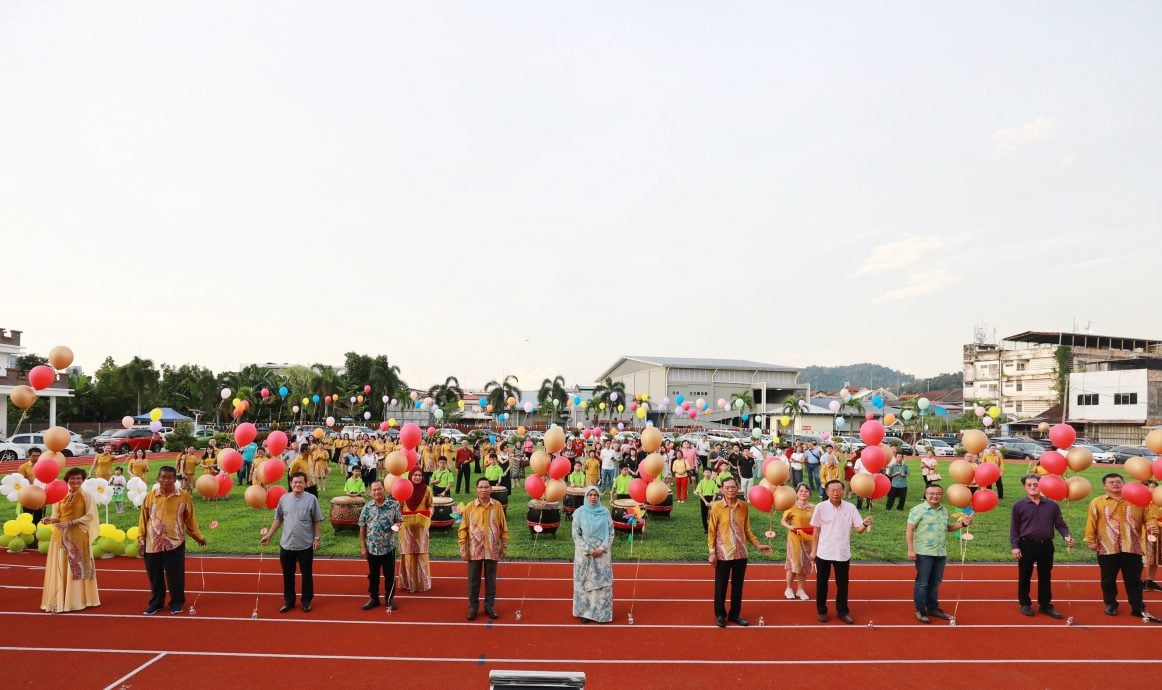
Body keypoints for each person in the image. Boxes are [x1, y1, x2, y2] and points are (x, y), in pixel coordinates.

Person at [1083, 473, 1160, 621]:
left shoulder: (1136, 500)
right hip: (1107, 547)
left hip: (1132, 546)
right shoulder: (1097, 502)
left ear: (1124, 484)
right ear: (1104, 486)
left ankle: (1138, 607)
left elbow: (1149, 518)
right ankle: (1111, 604)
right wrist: (1091, 540)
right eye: (1111, 482)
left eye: (1118, 482)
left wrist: (1152, 526)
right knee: (1108, 579)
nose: (1115, 484)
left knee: (1134, 580)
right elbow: (1091, 521)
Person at [137, 466, 207, 615]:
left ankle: (176, 602)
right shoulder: (150, 496)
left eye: (170, 477)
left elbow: (190, 519)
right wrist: (140, 539)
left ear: (175, 479)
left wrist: (198, 537)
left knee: (175, 575)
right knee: (154, 575)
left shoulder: (183, 496)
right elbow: (143, 520)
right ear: (158, 478)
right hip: (152, 543)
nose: (166, 480)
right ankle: (156, 602)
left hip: (175, 542)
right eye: (163, 477)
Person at [708, 477, 772, 627]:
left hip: (741, 553)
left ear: (737, 489)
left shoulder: (743, 506)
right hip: (723, 553)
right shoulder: (716, 507)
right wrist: (712, 552)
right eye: (727, 488)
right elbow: (711, 531)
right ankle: (720, 615)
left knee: (738, 586)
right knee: (721, 586)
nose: (730, 490)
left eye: (733, 487)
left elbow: (747, 529)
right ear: (722, 489)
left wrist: (757, 544)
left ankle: (735, 614)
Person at [1008, 473, 1073, 618]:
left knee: (1045, 576)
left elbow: (1060, 525)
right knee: (1025, 575)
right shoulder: (1018, 506)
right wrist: (1015, 546)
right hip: (1026, 545)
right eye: (1029, 485)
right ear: (1024, 487)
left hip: (1046, 546)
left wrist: (1066, 535)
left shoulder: (1052, 505)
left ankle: (1045, 605)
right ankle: (1025, 603)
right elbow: (1014, 528)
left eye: (1035, 484)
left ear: (1041, 485)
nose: (1032, 487)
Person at [810, 480, 873, 624]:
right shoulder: (820, 507)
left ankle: (842, 611)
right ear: (826, 492)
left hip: (842, 553)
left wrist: (865, 523)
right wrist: (814, 550)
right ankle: (822, 611)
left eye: (839, 490)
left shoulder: (850, 508)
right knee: (821, 583)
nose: (836, 493)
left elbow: (858, 529)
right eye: (832, 490)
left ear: (843, 491)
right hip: (823, 552)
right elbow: (816, 531)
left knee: (843, 584)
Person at [906, 485, 972, 623]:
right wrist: (910, 549)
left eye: (938, 494)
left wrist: (962, 524)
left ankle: (933, 607)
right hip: (924, 552)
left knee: (935, 582)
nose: (935, 496)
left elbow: (947, 528)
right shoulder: (918, 510)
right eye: (931, 493)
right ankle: (920, 610)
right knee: (922, 583)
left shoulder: (944, 511)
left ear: (942, 496)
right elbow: (910, 529)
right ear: (925, 494)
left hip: (940, 552)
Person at [260, 472, 323, 613]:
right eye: (295, 482)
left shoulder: (311, 499)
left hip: (305, 544)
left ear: (305, 484)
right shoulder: (283, 499)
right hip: (286, 544)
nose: (297, 485)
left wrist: (316, 538)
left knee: (306, 574)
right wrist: (269, 535)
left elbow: (316, 520)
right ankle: (289, 601)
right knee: (288, 574)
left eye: (300, 482)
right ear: (290, 483)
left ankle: (306, 601)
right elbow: (278, 519)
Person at [41, 468, 100, 612]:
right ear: (67, 479)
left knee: (78, 567)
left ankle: (78, 600)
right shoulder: (60, 495)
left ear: (83, 480)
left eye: (79, 478)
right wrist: (50, 520)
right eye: (73, 478)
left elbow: (90, 515)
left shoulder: (86, 496)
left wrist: (71, 523)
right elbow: (57, 516)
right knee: (62, 567)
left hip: (78, 536)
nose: (76, 481)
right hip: (60, 536)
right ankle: (60, 598)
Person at [459, 477, 509, 620]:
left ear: (490, 489)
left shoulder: (497, 506)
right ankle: (473, 607)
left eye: (486, 487)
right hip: (474, 550)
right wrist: (463, 547)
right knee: (473, 581)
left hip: (492, 548)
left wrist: (504, 545)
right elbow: (463, 529)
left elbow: (503, 526)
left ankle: (489, 606)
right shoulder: (469, 507)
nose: (483, 489)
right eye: (480, 487)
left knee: (491, 580)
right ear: (476, 489)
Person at [572, 485, 614, 623]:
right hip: (585, 555)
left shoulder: (605, 512)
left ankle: (600, 612)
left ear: (599, 497)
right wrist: (589, 550)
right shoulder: (579, 513)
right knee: (584, 583)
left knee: (600, 583)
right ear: (586, 496)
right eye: (590, 495)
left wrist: (602, 548)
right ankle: (585, 612)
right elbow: (576, 534)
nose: (592, 497)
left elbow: (611, 532)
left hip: (602, 555)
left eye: (595, 495)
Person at [358, 480, 403, 610]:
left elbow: (399, 520)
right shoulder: (367, 507)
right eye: (374, 490)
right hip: (372, 548)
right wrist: (363, 546)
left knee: (389, 575)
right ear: (371, 492)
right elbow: (362, 527)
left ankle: (389, 599)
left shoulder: (393, 505)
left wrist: (397, 526)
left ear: (384, 489)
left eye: (379, 489)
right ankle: (374, 598)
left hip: (388, 547)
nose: (377, 492)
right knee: (373, 575)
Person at [399, 468, 433, 593]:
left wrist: (427, 515)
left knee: (421, 553)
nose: (417, 477)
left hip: (421, 527)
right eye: (415, 475)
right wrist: (400, 517)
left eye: (419, 475)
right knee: (407, 554)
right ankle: (408, 583)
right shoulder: (405, 489)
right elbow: (400, 506)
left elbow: (430, 505)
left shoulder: (427, 490)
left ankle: (422, 583)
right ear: (410, 476)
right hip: (406, 527)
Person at [779, 483, 814, 600]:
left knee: (805, 564)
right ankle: (788, 588)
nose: (803, 493)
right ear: (796, 493)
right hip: (794, 539)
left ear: (810, 493)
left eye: (806, 491)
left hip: (809, 540)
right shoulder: (791, 506)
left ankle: (800, 589)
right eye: (801, 491)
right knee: (793, 564)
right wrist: (790, 528)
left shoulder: (814, 507)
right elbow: (783, 521)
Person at [1144, 479, 1162, 592]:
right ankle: (1140, 581)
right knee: (1147, 558)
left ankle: (1149, 581)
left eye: (1154, 487)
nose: (1151, 489)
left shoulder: (1160, 501)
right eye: (1148, 487)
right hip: (1144, 534)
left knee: (1155, 558)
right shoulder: (1139, 503)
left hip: (1158, 533)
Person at [695, 469, 718, 533]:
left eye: (709, 472)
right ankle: (706, 528)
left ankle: (713, 527)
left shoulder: (713, 482)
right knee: (704, 513)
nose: (707, 473)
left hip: (711, 498)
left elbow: (715, 492)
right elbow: (699, 493)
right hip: (704, 498)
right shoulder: (701, 482)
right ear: (703, 473)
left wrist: (712, 501)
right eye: (706, 472)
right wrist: (705, 502)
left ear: (711, 474)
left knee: (712, 513)